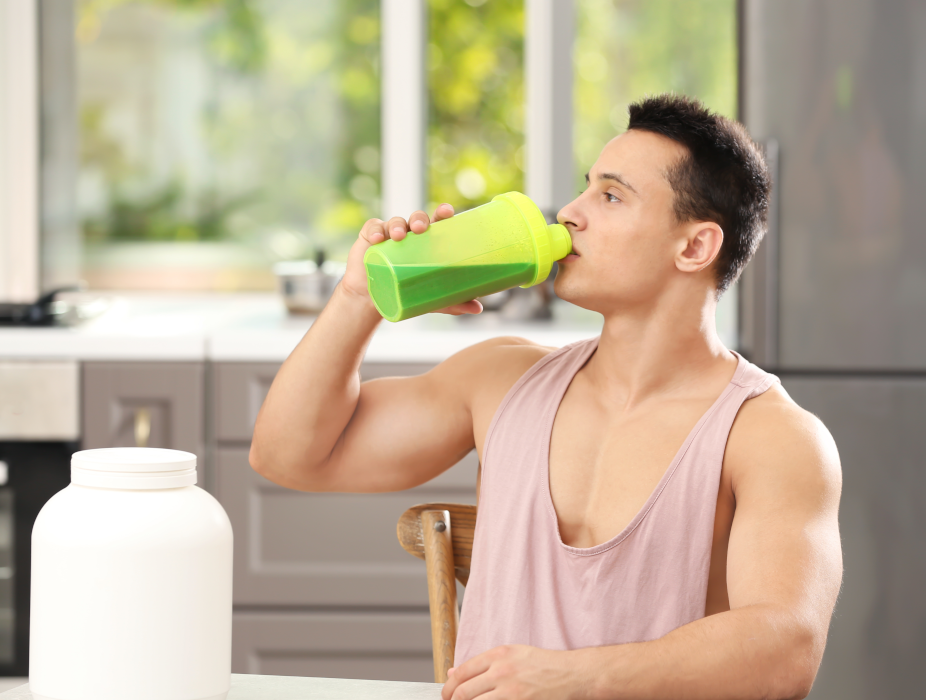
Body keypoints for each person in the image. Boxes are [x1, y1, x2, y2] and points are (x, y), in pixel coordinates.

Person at [250, 94, 843, 700]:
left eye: (610, 196)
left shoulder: (771, 437)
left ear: (694, 247)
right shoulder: (499, 379)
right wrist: (358, 299)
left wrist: (574, 678)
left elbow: (785, 651)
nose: (570, 213)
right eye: (585, 188)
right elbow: (290, 455)